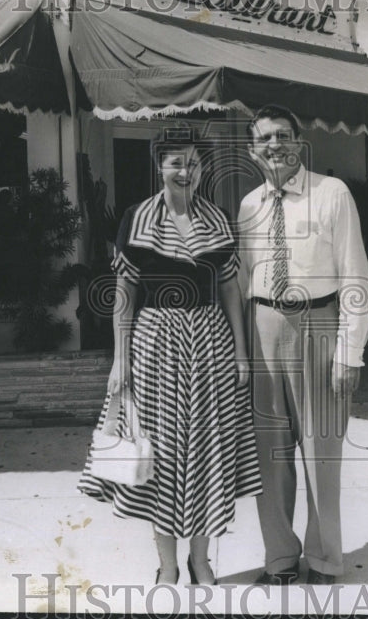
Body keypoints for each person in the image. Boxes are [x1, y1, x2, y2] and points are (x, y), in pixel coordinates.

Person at [78, 126, 262, 586]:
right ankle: (168, 564)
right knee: (157, 453)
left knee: (205, 450)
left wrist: (241, 354)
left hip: (210, 345)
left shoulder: (217, 219)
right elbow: (124, 294)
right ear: (159, 167)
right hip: (154, 344)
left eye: (194, 162)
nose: (186, 170)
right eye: (176, 161)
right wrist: (120, 361)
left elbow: (230, 292)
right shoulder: (136, 218)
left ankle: (201, 560)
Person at [238, 105, 368, 586]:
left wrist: (349, 350)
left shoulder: (332, 194)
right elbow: (240, 279)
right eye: (264, 139)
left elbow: (356, 274)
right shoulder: (250, 204)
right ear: (253, 151)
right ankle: (278, 558)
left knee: (321, 453)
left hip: (318, 323)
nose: (274, 145)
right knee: (268, 453)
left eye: (282, 136)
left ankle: (323, 559)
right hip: (262, 326)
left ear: (299, 142)